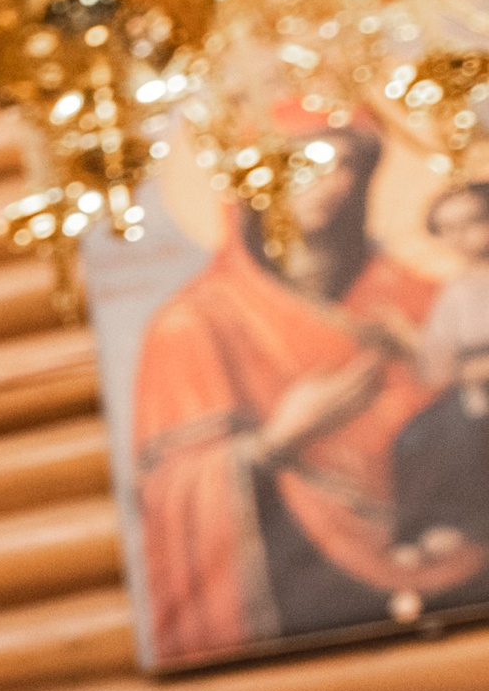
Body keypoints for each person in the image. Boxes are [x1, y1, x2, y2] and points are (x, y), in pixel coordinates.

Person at [131, 119, 486, 658]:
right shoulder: (196, 321)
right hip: (303, 583)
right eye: (311, 163)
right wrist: (277, 439)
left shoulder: (421, 298)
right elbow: (171, 490)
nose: (336, 182)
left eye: (349, 164)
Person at [389, 178, 489, 574]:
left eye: (472, 222)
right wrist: (405, 341)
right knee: (415, 438)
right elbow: (436, 367)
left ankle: (472, 525)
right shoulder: (458, 291)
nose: (461, 237)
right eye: (448, 229)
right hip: (472, 395)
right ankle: (421, 531)